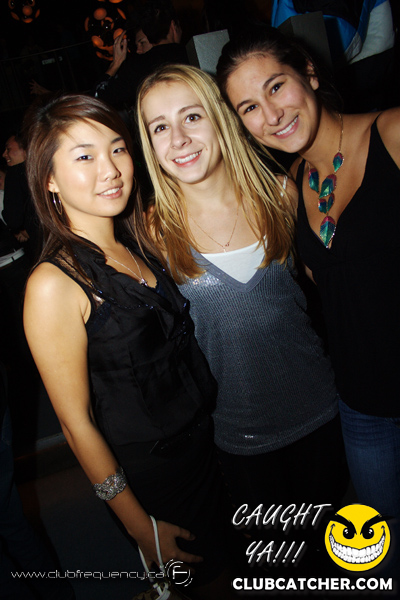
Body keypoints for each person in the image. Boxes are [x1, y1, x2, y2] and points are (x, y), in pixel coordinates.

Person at [22, 93, 234, 599]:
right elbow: (76, 425)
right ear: (49, 179)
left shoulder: (138, 240)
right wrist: (141, 527)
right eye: (84, 156)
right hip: (154, 479)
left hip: (211, 449)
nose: (111, 169)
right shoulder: (54, 285)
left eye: (118, 149)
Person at [136, 65, 348, 559]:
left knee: (333, 554)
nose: (179, 138)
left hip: (323, 414)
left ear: (220, 118)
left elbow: (333, 292)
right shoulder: (152, 232)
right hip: (236, 438)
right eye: (160, 127)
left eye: (192, 116)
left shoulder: (280, 194)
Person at [217, 26, 400, 529]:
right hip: (363, 410)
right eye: (249, 107)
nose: (271, 114)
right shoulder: (291, 188)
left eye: (276, 86)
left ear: (310, 73)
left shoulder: (392, 134)